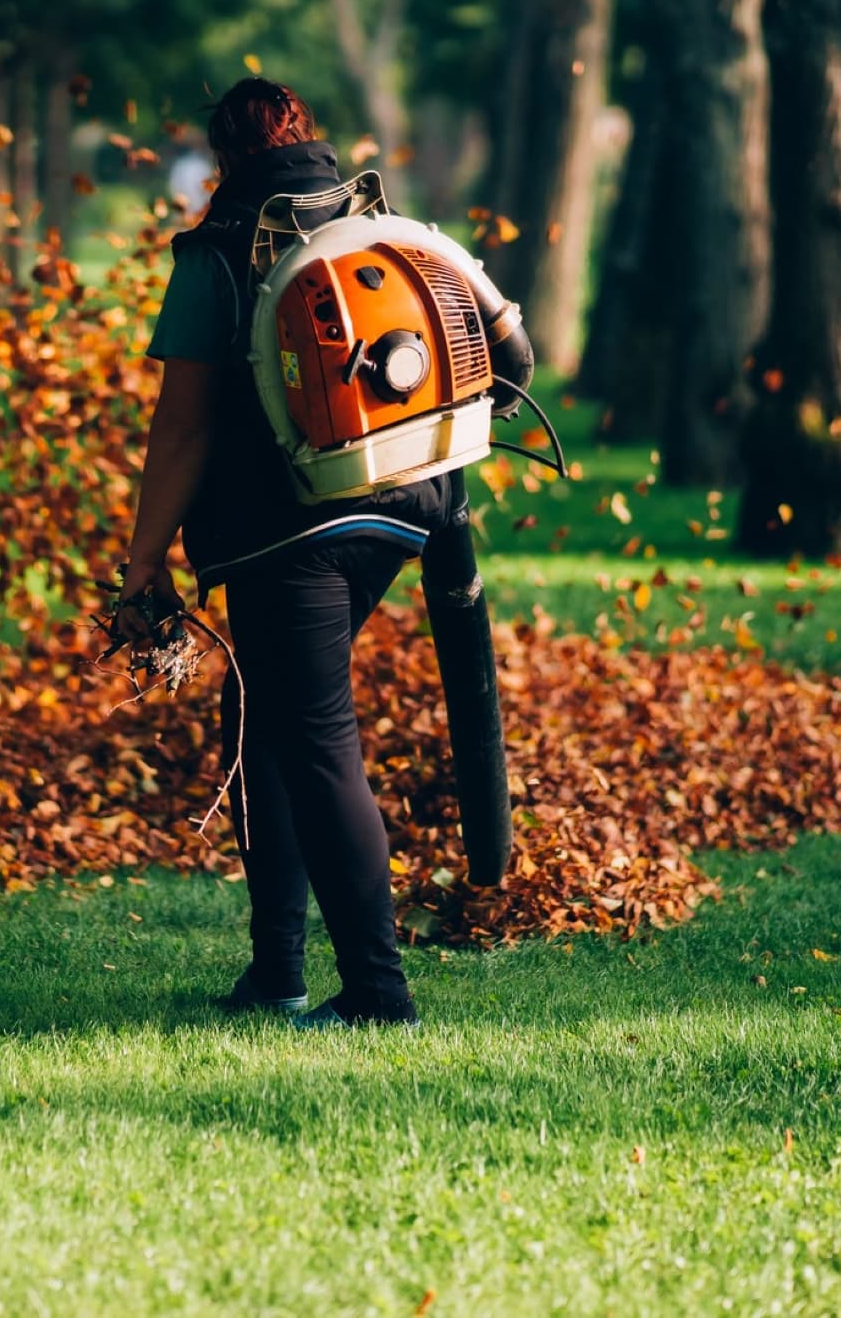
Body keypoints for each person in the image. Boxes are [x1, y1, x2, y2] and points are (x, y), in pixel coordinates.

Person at [117, 78, 510, 1028]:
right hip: (409, 509)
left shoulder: (219, 251)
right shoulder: (385, 226)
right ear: (308, 140)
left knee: (316, 740)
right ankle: (276, 973)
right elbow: (501, 346)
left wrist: (141, 570)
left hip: (287, 529)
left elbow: (182, 430)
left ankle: (379, 994)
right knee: (260, 722)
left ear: (224, 159)